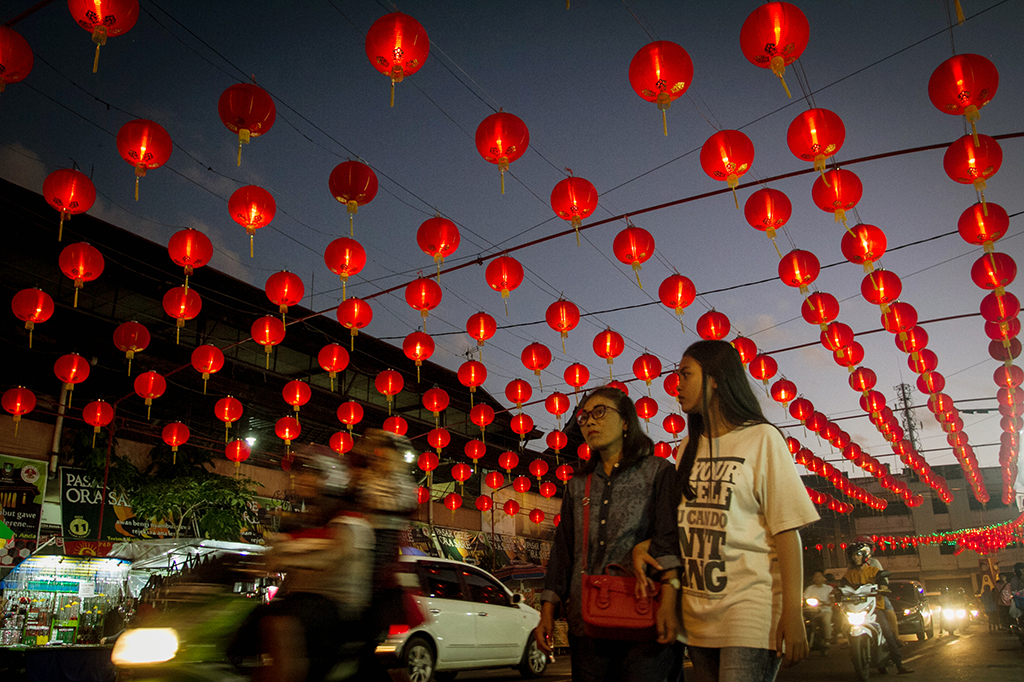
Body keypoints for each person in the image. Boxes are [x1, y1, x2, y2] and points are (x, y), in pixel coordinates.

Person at [634, 339, 819, 682]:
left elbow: (786, 531)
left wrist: (793, 613)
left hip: (751, 609)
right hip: (698, 615)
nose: (677, 384)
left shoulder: (762, 439)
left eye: (686, 374)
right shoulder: (688, 446)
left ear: (715, 379)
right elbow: (681, 529)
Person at [536, 386, 682, 682]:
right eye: (584, 417)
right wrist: (548, 608)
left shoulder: (658, 472)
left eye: (599, 412)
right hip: (586, 624)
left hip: (644, 616)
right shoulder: (578, 485)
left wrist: (669, 600)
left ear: (626, 420)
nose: (589, 422)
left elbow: (671, 536)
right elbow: (564, 550)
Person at [257, 449, 375, 682]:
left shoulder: (350, 521)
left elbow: (334, 555)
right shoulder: (305, 523)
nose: (303, 479)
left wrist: (286, 559)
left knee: (280, 624)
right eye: (301, 473)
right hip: (304, 606)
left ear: (332, 480)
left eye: (311, 474)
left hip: (337, 612)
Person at [843, 543, 912, 675]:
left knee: (887, 632)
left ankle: (899, 665)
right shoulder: (848, 575)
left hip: (875, 608)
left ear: (864, 556)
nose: (855, 558)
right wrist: (836, 593)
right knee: (844, 624)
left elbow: (883, 581)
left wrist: (883, 587)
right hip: (856, 609)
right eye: (853, 555)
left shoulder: (874, 571)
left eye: (858, 555)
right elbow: (842, 586)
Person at [803, 571, 835, 644]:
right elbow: (804, 598)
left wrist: (829, 602)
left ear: (824, 578)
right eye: (815, 577)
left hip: (825, 610)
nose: (817, 578)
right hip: (811, 611)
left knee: (826, 621)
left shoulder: (828, 588)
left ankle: (827, 639)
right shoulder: (809, 589)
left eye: (819, 576)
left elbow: (832, 599)